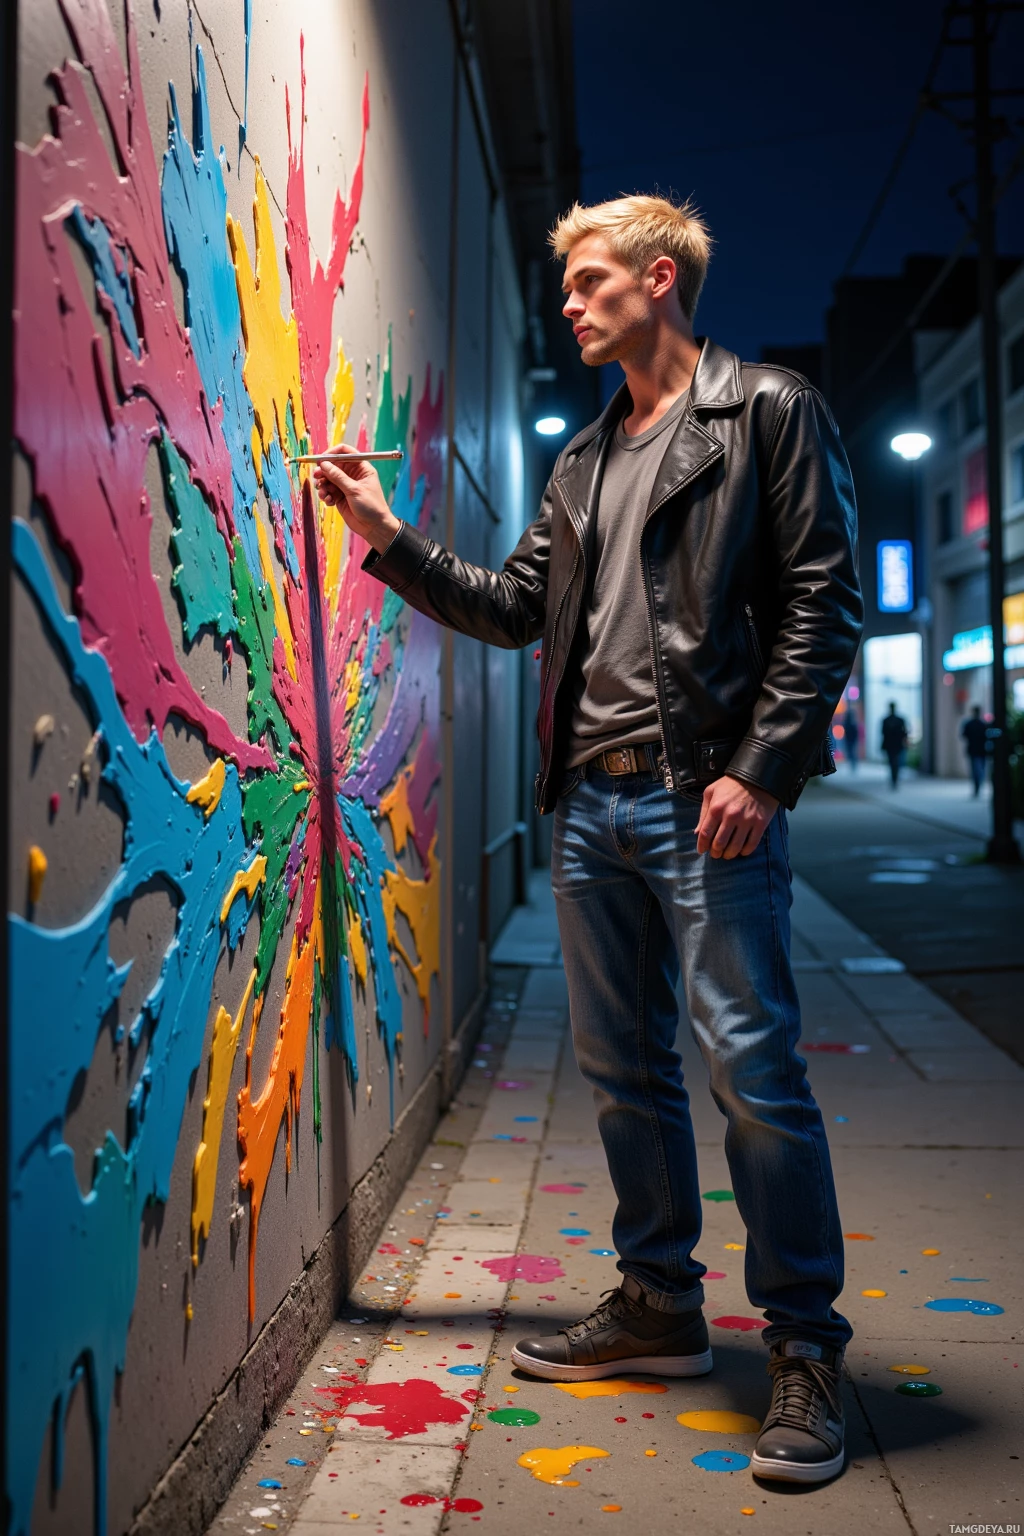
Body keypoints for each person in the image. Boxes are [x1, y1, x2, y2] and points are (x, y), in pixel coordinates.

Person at [314, 195, 862, 1486]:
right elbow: (517, 608)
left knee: (754, 1068)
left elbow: (823, 602)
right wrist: (387, 544)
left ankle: (802, 1351)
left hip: (701, 799)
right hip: (593, 806)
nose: (568, 301)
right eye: (566, 285)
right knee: (625, 1073)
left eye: (589, 279)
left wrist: (764, 772)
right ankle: (660, 1304)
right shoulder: (582, 460)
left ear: (660, 279)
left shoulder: (766, 413)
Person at [961, 704, 989, 796]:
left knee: (975, 770)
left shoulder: (969, 724)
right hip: (981, 750)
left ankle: (977, 787)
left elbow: (964, 735)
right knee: (980, 769)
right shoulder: (983, 724)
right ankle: (978, 786)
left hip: (974, 750)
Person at [880, 702, 908, 788]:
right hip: (897, 744)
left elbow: (883, 733)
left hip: (891, 744)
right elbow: (904, 733)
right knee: (895, 762)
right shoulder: (899, 720)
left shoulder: (886, 720)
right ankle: (894, 779)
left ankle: (894, 779)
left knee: (893, 762)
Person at [843, 705, 860, 770]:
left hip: (849, 740)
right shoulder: (853, 723)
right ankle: (853, 764)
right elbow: (855, 732)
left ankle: (852, 764)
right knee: (853, 752)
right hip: (852, 740)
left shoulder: (846, 723)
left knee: (851, 752)